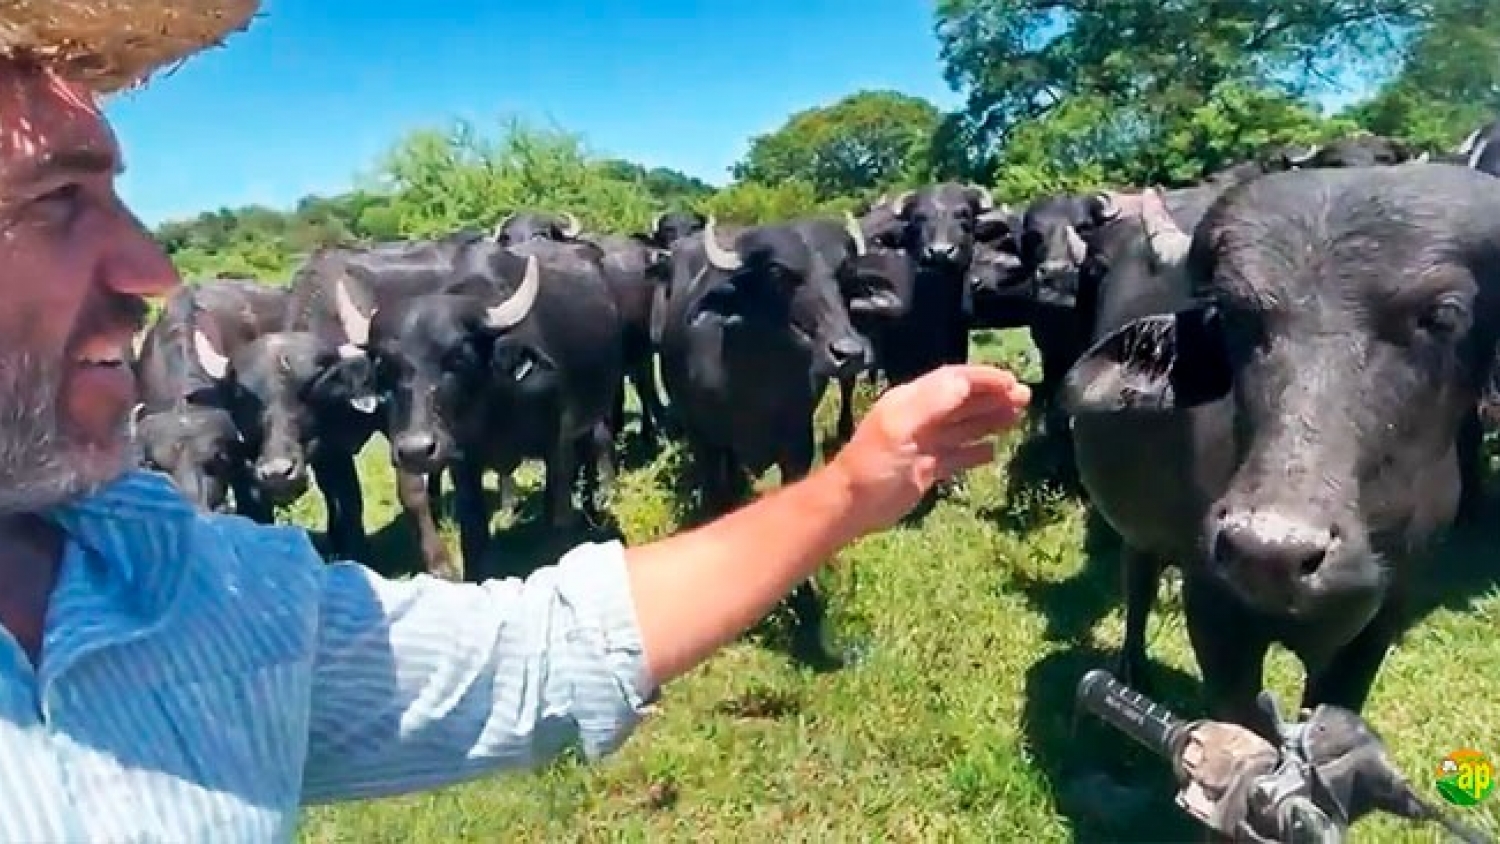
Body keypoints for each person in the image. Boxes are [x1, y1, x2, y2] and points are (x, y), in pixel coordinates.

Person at [0, 2, 1031, 841]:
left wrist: (851, 487)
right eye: (52, 202)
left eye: (117, 198)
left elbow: (532, 656)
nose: (149, 268)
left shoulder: (187, 575)